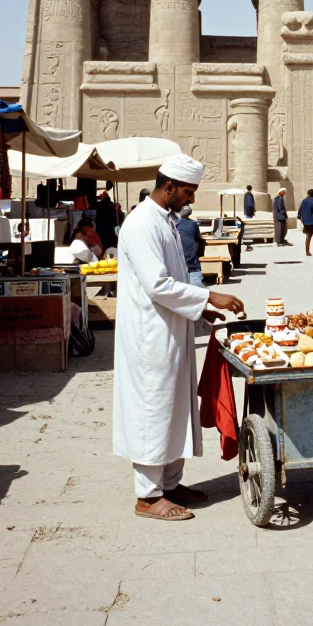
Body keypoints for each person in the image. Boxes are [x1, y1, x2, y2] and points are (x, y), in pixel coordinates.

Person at [113, 153, 244, 521]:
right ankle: (148, 496)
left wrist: (199, 310)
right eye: (188, 192)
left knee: (174, 409)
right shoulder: (142, 224)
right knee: (153, 411)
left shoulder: (165, 222)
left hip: (171, 332)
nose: (191, 199)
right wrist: (208, 296)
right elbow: (157, 285)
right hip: (150, 337)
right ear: (168, 186)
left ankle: (169, 484)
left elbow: (175, 279)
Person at [174, 204, 206, 287]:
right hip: (192, 264)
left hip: (177, 265)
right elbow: (200, 241)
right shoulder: (192, 224)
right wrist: (200, 256)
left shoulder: (173, 224)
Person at [97, 182, 119, 251]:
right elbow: (114, 219)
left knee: (104, 246)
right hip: (110, 228)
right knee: (110, 246)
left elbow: (97, 218)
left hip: (102, 228)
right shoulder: (111, 205)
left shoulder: (99, 205)